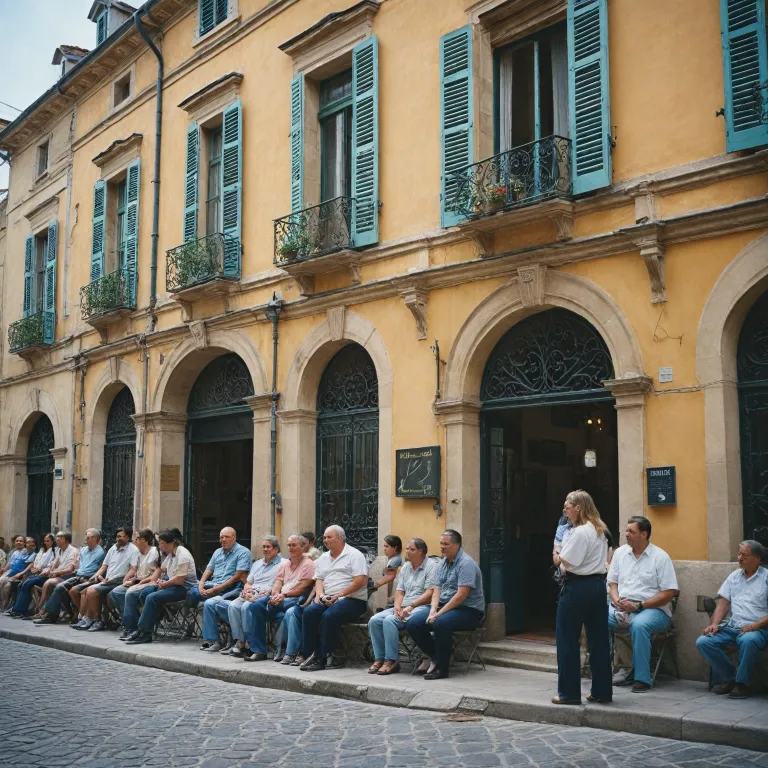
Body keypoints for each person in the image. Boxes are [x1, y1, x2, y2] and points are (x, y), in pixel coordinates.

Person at [552, 490, 612, 705]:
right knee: (599, 641)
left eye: (567, 507)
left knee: (567, 639)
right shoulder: (601, 530)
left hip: (577, 586)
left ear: (578, 507)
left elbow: (565, 562)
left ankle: (568, 693)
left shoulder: (580, 532)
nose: (565, 511)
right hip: (598, 586)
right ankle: (602, 691)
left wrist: (557, 549)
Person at [607, 516, 678, 692]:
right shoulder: (620, 553)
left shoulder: (660, 557)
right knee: (597, 619)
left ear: (644, 534)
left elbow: (669, 593)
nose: (626, 534)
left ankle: (642, 678)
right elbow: (612, 583)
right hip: (622, 606)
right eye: (627, 531)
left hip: (653, 610)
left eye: (631, 532)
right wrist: (616, 599)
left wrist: (639, 606)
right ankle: (605, 670)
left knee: (639, 625)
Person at [407, 529, 484, 680]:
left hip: (468, 610)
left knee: (441, 623)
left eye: (446, 544)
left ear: (457, 545)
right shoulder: (442, 563)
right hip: (444, 606)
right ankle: (437, 655)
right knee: (413, 623)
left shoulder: (466, 564)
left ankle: (442, 669)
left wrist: (439, 614)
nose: (442, 547)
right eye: (441, 543)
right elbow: (437, 589)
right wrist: (433, 610)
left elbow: (461, 596)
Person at [695, 540, 768, 699]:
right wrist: (714, 624)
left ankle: (742, 684)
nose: (740, 558)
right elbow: (723, 603)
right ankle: (731, 677)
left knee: (748, 640)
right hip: (733, 626)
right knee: (703, 641)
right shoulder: (734, 576)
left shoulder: (766, 577)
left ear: (758, 558)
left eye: (745, 555)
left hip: (759, 628)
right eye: (739, 554)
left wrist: (755, 625)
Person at [299, 525, 368, 672]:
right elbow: (319, 579)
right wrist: (320, 596)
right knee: (310, 612)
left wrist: (338, 595)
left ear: (340, 538)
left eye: (329, 537)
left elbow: (360, 581)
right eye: (324, 537)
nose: (325, 540)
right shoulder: (324, 557)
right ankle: (311, 653)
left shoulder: (355, 555)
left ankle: (327, 656)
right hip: (328, 597)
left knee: (329, 616)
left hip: (352, 600)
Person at [203, 536, 283, 655]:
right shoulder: (257, 563)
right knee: (233, 606)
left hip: (265, 596)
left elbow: (279, 584)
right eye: (264, 547)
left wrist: (258, 596)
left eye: (268, 547)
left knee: (246, 607)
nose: (265, 549)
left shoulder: (282, 564)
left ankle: (250, 642)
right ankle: (240, 641)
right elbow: (248, 582)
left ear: (276, 549)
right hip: (251, 592)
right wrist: (247, 590)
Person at [368, 538, 437, 675]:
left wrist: (410, 607)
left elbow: (430, 593)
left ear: (421, 552)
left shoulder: (431, 566)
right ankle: (379, 658)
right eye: (407, 549)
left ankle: (391, 661)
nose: (407, 552)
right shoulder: (406, 567)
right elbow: (400, 591)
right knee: (374, 620)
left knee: (389, 621)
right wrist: (398, 607)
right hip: (403, 606)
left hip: (421, 606)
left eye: (411, 549)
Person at [244, 534, 315, 662]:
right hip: (280, 597)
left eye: (294, 545)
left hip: (296, 598)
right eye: (289, 545)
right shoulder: (286, 563)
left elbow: (304, 587)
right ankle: (259, 650)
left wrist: (283, 595)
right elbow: (278, 580)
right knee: (255, 606)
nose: (291, 548)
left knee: (278, 609)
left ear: (303, 547)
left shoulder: (308, 564)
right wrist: (276, 594)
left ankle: (281, 647)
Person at [125, 529, 198, 645]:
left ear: (166, 543)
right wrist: (154, 580)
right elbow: (162, 569)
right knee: (145, 592)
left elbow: (179, 580)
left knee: (152, 597)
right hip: (172, 584)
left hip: (184, 588)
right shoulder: (171, 554)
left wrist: (163, 584)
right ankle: (152, 623)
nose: (160, 546)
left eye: (161, 543)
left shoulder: (182, 554)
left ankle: (144, 631)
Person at [72, 526, 140, 632]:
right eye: (118, 536)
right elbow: (104, 566)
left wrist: (124, 580)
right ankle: (89, 619)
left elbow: (132, 569)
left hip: (119, 580)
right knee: (85, 590)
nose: (120, 538)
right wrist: (95, 576)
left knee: (91, 591)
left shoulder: (133, 550)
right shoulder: (113, 548)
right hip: (108, 580)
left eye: (123, 536)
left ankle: (98, 620)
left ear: (128, 537)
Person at [33, 529, 105, 625]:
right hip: (78, 575)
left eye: (88, 538)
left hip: (89, 577)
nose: (85, 540)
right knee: (59, 586)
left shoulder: (100, 552)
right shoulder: (83, 550)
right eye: (86, 537)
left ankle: (79, 616)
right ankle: (51, 615)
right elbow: (77, 564)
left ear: (95, 538)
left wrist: (69, 569)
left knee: (68, 589)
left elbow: (87, 568)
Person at [189, 527, 251, 621]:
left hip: (230, 587)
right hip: (213, 585)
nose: (223, 540)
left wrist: (215, 590)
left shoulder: (244, 552)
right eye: (221, 537)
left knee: (206, 602)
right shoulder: (217, 552)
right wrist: (201, 584)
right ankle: (198, 613)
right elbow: (209, 569)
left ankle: (205, 612)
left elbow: (237, 577)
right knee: (192, 592)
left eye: (227, 537)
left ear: (234, 538)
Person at [110, 529, 162, 637]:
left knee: (130, 593)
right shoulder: (138, 553)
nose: (135, 541)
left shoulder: (154, 552)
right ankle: (133, 619)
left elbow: (156, 572)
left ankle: (130, 627)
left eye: (137, 538)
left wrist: (140, 581)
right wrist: (132, 579)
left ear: (143, 540)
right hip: (139, 581)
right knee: (116, 592)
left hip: (150, 583)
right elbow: (138, 571)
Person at [6, 534, 57, 617]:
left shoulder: (54, 551)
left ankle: (20, 610)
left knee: (28, 582)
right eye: (45, 541)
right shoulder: (43, 550)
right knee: (21, 584)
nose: (46, 543)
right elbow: (37, 563)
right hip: (38, 574)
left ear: (52, 541)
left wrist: (40, 570)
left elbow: (50, 565)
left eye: (48, 541)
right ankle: (18, 609)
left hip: (46, 576)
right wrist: (35, 569)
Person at [30, 532, 78, 618]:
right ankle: (48, 611)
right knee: (46, 583)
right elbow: (52, 565)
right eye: (57, 538)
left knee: (49, 583)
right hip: (58, 575)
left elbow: (70, 570)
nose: (57, 540)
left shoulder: (73, 551)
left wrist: (56, 572)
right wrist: (47, 571)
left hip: (69, 576)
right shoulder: (58, 550)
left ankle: (42, 610)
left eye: (60, 538)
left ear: (67, 540)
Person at [0, 536, 35, 610]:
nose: (18, 542)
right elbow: (10, 562)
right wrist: (4, 569)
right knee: (1, 580)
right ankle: (3, 602)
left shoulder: (26, 551)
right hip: (10, 573)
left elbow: (29, 564)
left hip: (19, 575)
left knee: (6, 584)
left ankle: (5, 603)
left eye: (21, 541)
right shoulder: (14, 552)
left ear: (24, 543)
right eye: (17, 541)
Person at [371, 535, 403, 603]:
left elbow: (390, 575)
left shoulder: (396, 559)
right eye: (384, 546)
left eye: (387, 546)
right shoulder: (392, 559)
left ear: (395, 548)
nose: (384, 549)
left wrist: (375, 586)